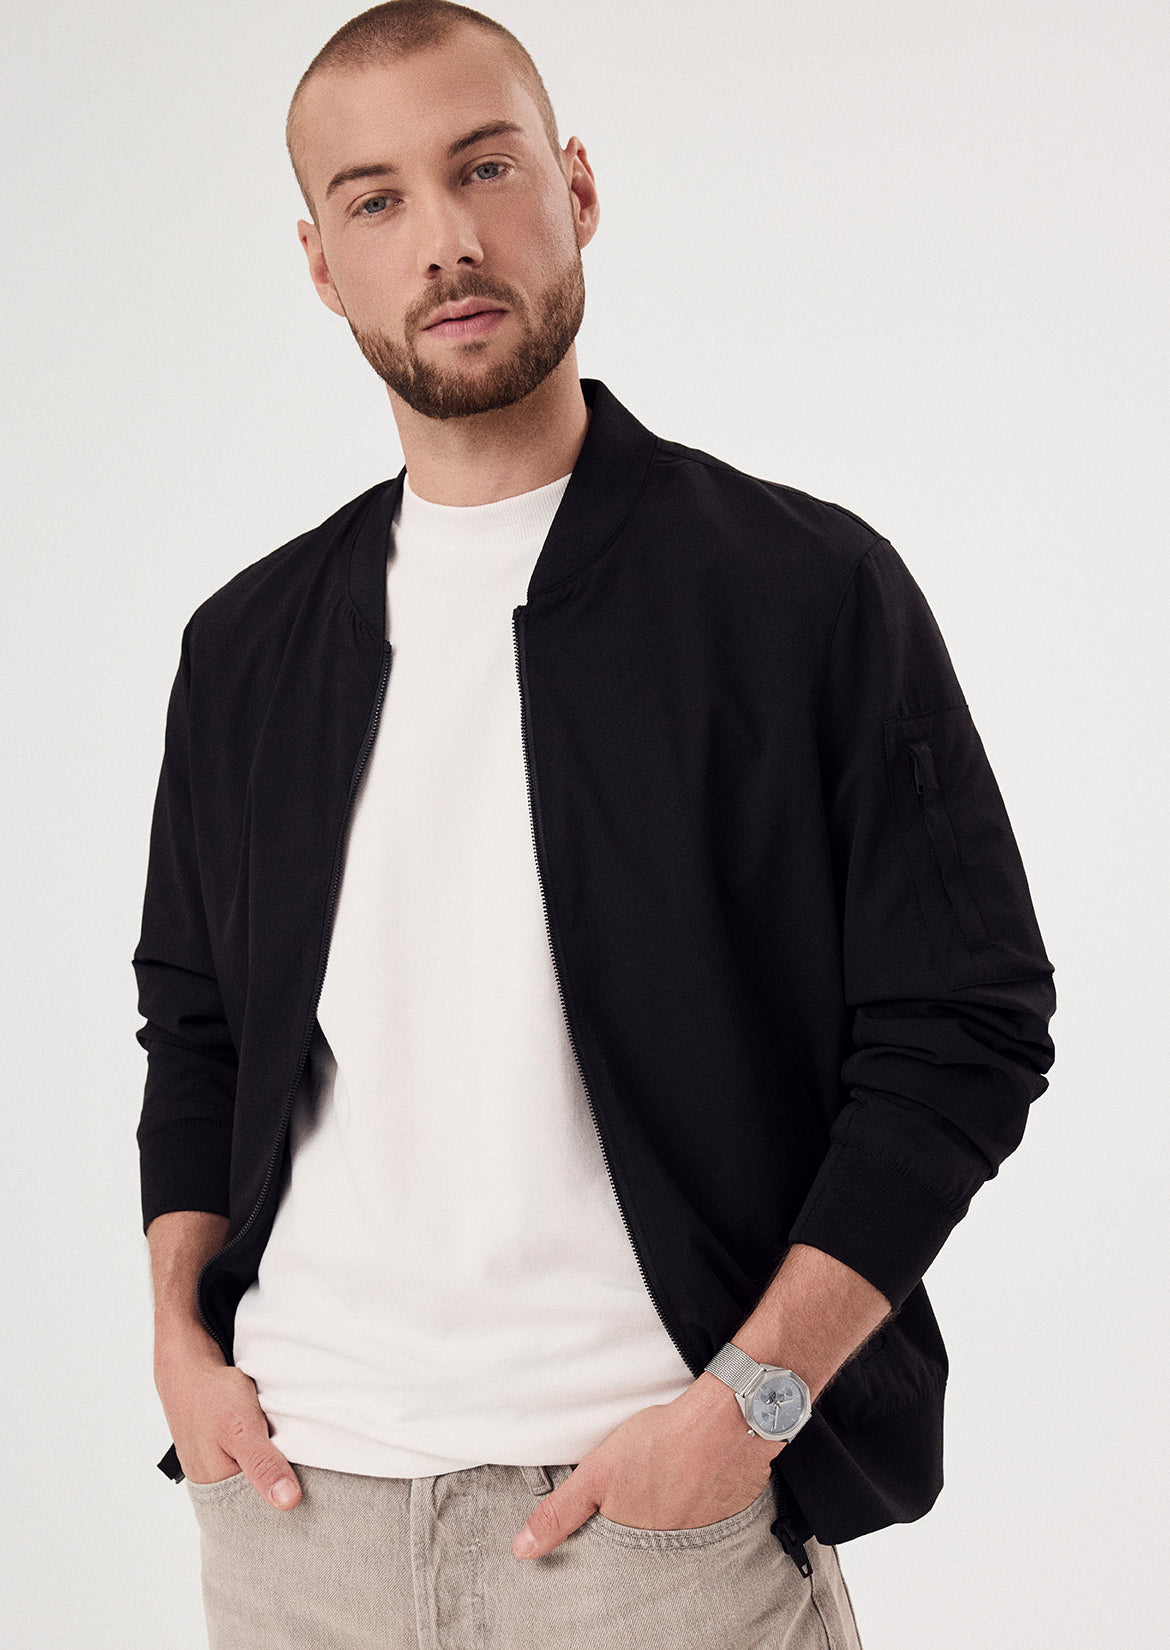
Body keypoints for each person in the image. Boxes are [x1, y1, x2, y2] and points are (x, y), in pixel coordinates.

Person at [133, 4, 1056, 1646]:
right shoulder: (248, 644)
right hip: (295, 1520)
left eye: (484, 168)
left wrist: (746, 1407)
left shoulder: (801, 594)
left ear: (575, 187)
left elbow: (962, 1028)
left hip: (652, 1536)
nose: (445, 238)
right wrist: (179, 1349)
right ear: (320, 262)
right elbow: (196, 1027)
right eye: (375, 198)